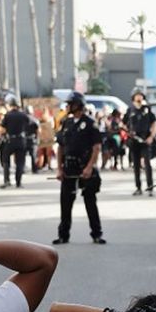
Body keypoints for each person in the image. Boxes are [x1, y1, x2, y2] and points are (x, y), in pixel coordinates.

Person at [53, 92, 106, 246]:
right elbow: (60, 147)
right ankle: (63, 235)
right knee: (66, 201)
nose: (68, 106)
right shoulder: (66, 123)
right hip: (69, 166)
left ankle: (96, 233)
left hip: (85, 166)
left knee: (90, 201)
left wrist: (90, 167)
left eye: (70, 103)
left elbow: (96, 147)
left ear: (78, 105)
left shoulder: (90, 123)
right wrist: (59, 168)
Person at [125, 89, 156, 195]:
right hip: (134, 140)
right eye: (137, 95)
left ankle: (150, 187)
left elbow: (154, 124)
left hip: (145, 139)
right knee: (136, 165)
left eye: (141, 95)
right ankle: (138, 187)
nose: (139, 97)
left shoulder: (147, 109)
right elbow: (123, 124)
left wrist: (151, 136)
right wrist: (128, 132)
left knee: (147, 164)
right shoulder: (130, 110)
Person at [0, 95, 30, 188]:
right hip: (21, 140)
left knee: (6, 160)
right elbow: (28, 125)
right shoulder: (23, 115)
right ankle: (18, 182)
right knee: (20, 162)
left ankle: (7, 180)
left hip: (10, 140)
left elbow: (2, 128)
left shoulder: (8, 115)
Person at [25, 105, 40, 172]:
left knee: (22, 155)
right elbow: (38, 130)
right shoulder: (35, 120)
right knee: (33, 155)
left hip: (24, 139)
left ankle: (21, 169)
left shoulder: (22, 119)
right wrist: (38, 138)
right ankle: (34, 169)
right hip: (32, 139)